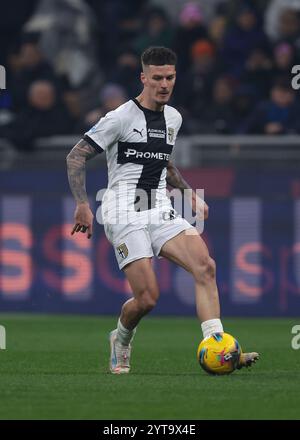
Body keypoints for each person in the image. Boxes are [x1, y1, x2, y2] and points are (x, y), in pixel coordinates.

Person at [66, 46, 259, 374]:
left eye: (169, 77)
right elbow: (76, 155)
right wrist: (82, 204)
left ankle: (217, 346)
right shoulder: (120, 118)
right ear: (144, 78)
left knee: (205, 267)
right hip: (123, 210)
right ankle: (122, 338)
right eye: (157, 78)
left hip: (156, 206)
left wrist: (190, 196)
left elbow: (164, 163)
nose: (164, 84)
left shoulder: (173, 118)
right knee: (148, 299)